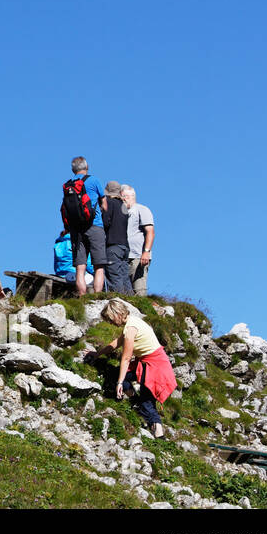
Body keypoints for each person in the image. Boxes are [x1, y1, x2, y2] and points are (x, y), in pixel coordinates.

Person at [85, 299, 177, 439]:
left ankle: (159, 434)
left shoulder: (130, 329)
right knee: (117, 374)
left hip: (155, 365)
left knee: (147, 400)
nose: (110, 323)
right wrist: (97, 354)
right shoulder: (132, 321)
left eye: (110, 319)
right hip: (149, 361)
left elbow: (126, 358)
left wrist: (120, 383)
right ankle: (136, 403)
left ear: (116, 314)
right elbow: (117, 342)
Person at [61, 156, 106, 295]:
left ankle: (82, 295)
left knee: (80, 266)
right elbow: (104, 204)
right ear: (87, 167)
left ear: (73, 169)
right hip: (95, 226)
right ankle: (97, 297)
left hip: (76, 230)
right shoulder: (94, 180)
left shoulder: (68, 185)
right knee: (99, 265)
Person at [122, 185, 156, 296]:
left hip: (138, 256)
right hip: (123, 256)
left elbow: (150, 231)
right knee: (124, 291)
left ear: (129, 196)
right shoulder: (122, 212)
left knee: (139, 289)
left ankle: (143, 310)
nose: (122, 199)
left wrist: (146, 252)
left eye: (123, 196)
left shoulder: (142, 209)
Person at [101, 179, 133, 294]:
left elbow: (106, 222)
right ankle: (131, 302)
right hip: (124, 246)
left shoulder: (109, 203)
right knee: (125, 277)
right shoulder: (124, 206)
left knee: (114, 277)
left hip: (113, 245)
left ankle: (118, 301)